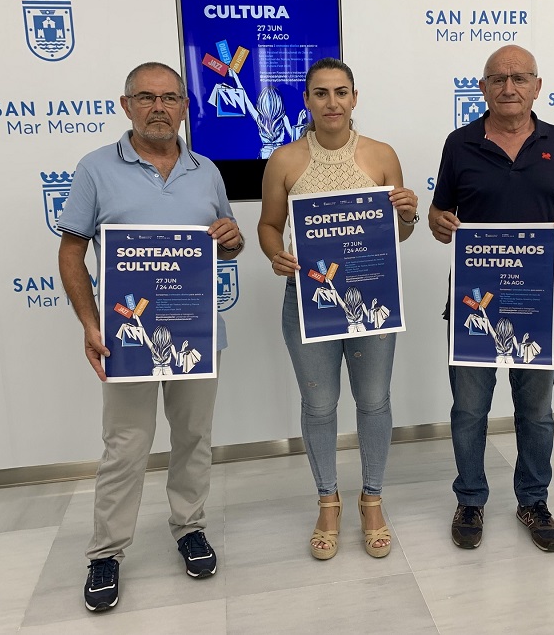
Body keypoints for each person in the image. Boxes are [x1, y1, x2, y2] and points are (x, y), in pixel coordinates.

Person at [58, 62, 244, 612]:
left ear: (185, 106)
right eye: (146, 97)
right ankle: (106, 552)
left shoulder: (206, 171)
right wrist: (90, 323)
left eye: (169, 98)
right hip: (126, 338)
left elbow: (228, 245)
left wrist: (231, 240)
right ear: (126, 105)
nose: (158, 107)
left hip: (195, 335)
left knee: (193, 438)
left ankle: (189, 526)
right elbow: (71, 251)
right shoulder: (95, 169)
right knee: (126, 446)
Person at [257, 58, 418, 560]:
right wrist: (276, 254)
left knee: (373, 401)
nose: (332, 102)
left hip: (372, 299)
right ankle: (328, 501)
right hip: (309, 300)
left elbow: (399, 234)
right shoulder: (284, 160)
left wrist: (408, 215)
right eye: (321, 93)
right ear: (307, 100)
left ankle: (372, 500)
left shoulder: (382, 155)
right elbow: (268, 225)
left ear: (354, 98)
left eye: (341, 92)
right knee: (320, 406)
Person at [428, 45, 554, 553]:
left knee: (536, 412)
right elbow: (437, 214)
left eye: (519, 78)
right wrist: (438, 223)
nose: (509, 87)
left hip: (537, 305)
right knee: (469, 410)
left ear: (537, 86)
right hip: (474, 305)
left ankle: (533, 500)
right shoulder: (459, 144)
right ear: (483, 89)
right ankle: (470, 499)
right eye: (498, 79)